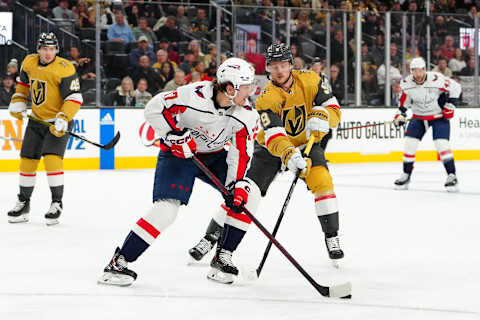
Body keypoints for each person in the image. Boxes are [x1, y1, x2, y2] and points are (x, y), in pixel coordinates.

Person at [189, 43, 345, 284]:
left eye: (283, 65)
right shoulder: (265, 97)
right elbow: (273, 134)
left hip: (307, 144)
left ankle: (331, 237)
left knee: (323, 181)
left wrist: (324, 117)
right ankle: (210, 237)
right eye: (274, 67)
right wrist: (290, 156)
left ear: (291, 65)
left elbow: (333, 107)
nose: (279, 71)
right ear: (268, 70)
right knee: (246, 193)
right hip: (272, 149)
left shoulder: (312, 79)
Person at [98, 57, 258, 286]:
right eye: (245, 86)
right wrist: (172, 135)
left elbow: (240, 152)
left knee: (248, 194)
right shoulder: (193, 95)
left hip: (213, 156)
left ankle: (223, 257)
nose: (250, 91)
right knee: (166, 210)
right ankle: (119, 262)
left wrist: (237, 184)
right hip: (179, 155)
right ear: (230, 87)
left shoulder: (246, 113)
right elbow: (154, 108)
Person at [7, 32, 83, 225]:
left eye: (51, 49)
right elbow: (23, 86)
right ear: (38, 49)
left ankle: (56, 203)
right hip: (36, 120)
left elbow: (74, 98)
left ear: (56, 50)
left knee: (51, 160)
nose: (48, 53)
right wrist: (18, 101)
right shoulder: (29, 62)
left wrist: (64, 118)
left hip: (58, 122)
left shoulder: (65, 69)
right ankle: (24, 203)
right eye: (44, 49)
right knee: (27, 161)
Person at [393, 57, 461, 192]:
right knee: (409, 144)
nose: (418, 74)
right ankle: (406, 174)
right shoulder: (406, 83)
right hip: (419, 117)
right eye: (414, 71)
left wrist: (451, 104)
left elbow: (456, 87)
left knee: (441, 144)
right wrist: (400, 115)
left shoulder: (437, 78)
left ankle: (452, 175)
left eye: (420, 71)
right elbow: (403, 104)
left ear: (425, 69)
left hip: (438, 116)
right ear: (411, 71)